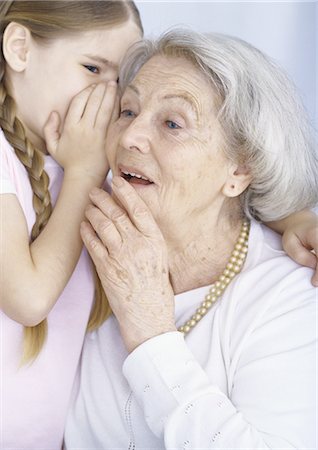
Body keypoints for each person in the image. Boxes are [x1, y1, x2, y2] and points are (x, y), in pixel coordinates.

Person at [64, 29, 318, 449]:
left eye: (172, 123)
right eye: (127, 111)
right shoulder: (77, 235)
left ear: (240, 169)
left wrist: (150, 331)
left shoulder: (291, 299)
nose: (129, 138)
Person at [0, 1, 142, 448]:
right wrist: (82, 176)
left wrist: (291, 216)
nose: (108, 95)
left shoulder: (86, 166)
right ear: (20, 49)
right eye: (92, 68)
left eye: (121, 80)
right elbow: (28, 298)